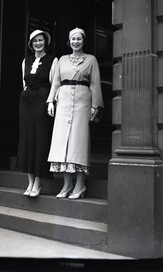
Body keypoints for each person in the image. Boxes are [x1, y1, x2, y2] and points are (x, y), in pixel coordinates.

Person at [47, 27, 104, 199]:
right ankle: (66, 185)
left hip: (82, 101)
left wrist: (95, 106)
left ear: (83, 40)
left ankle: (80, 185)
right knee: (62, 142)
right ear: (69, 41)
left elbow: (95, 83)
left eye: (79, 39)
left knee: (79, 143)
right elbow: (55, 82)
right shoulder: (62, 60)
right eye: (73, 39)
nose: (76, 42)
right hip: (63, 102)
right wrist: (51, 101)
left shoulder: (91, 59)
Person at [16, 29, 58, 197]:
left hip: (41, 103)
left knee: (40, 140)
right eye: (35, 41)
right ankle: (30, 182)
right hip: (26, 104)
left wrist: (50, 101)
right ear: (31, 44)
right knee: (26, 140)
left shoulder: (52, 60)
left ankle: (38, 184)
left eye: (40, 40)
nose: (38, 43)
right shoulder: (26, 61)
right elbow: (23, 83)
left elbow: (55, 83)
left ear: (45, 42)